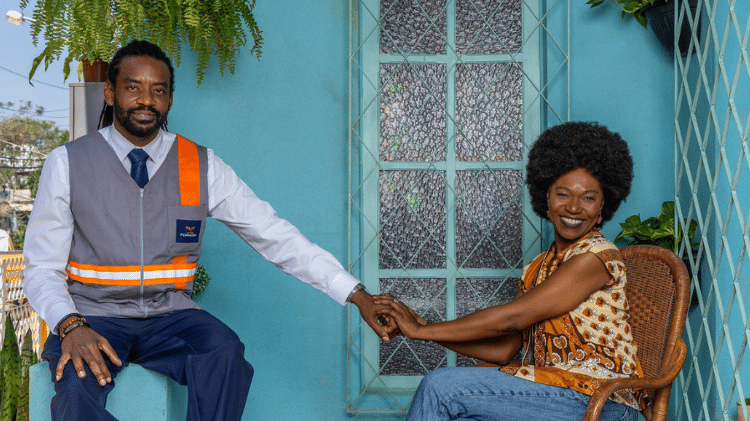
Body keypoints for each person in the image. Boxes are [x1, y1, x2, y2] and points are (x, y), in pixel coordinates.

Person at [23, 39, 395, 421]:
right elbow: (40, 269)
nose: (146, 100)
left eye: (159, 90)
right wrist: (70, 324)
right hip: (92, 315)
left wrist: (355, 293)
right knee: (74, 388)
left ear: (170, 99)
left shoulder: (200, 165)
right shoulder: (68, 163)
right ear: (110, 91)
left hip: (168, 317)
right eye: (133, 87)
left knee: (224, 353)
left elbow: (275, 235)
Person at [375, 121, 648, 421]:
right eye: (563, 194)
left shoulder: (595, 258)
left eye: (588, 198)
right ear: (546, 197)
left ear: (602, 205)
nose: (573, 208)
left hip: (601, 399)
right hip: (554, 390)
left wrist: (421, 331)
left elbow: (513, 317)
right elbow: (505, 347)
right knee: (459, 403)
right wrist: (424, 326)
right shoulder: (537, 267)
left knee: (440, 388)